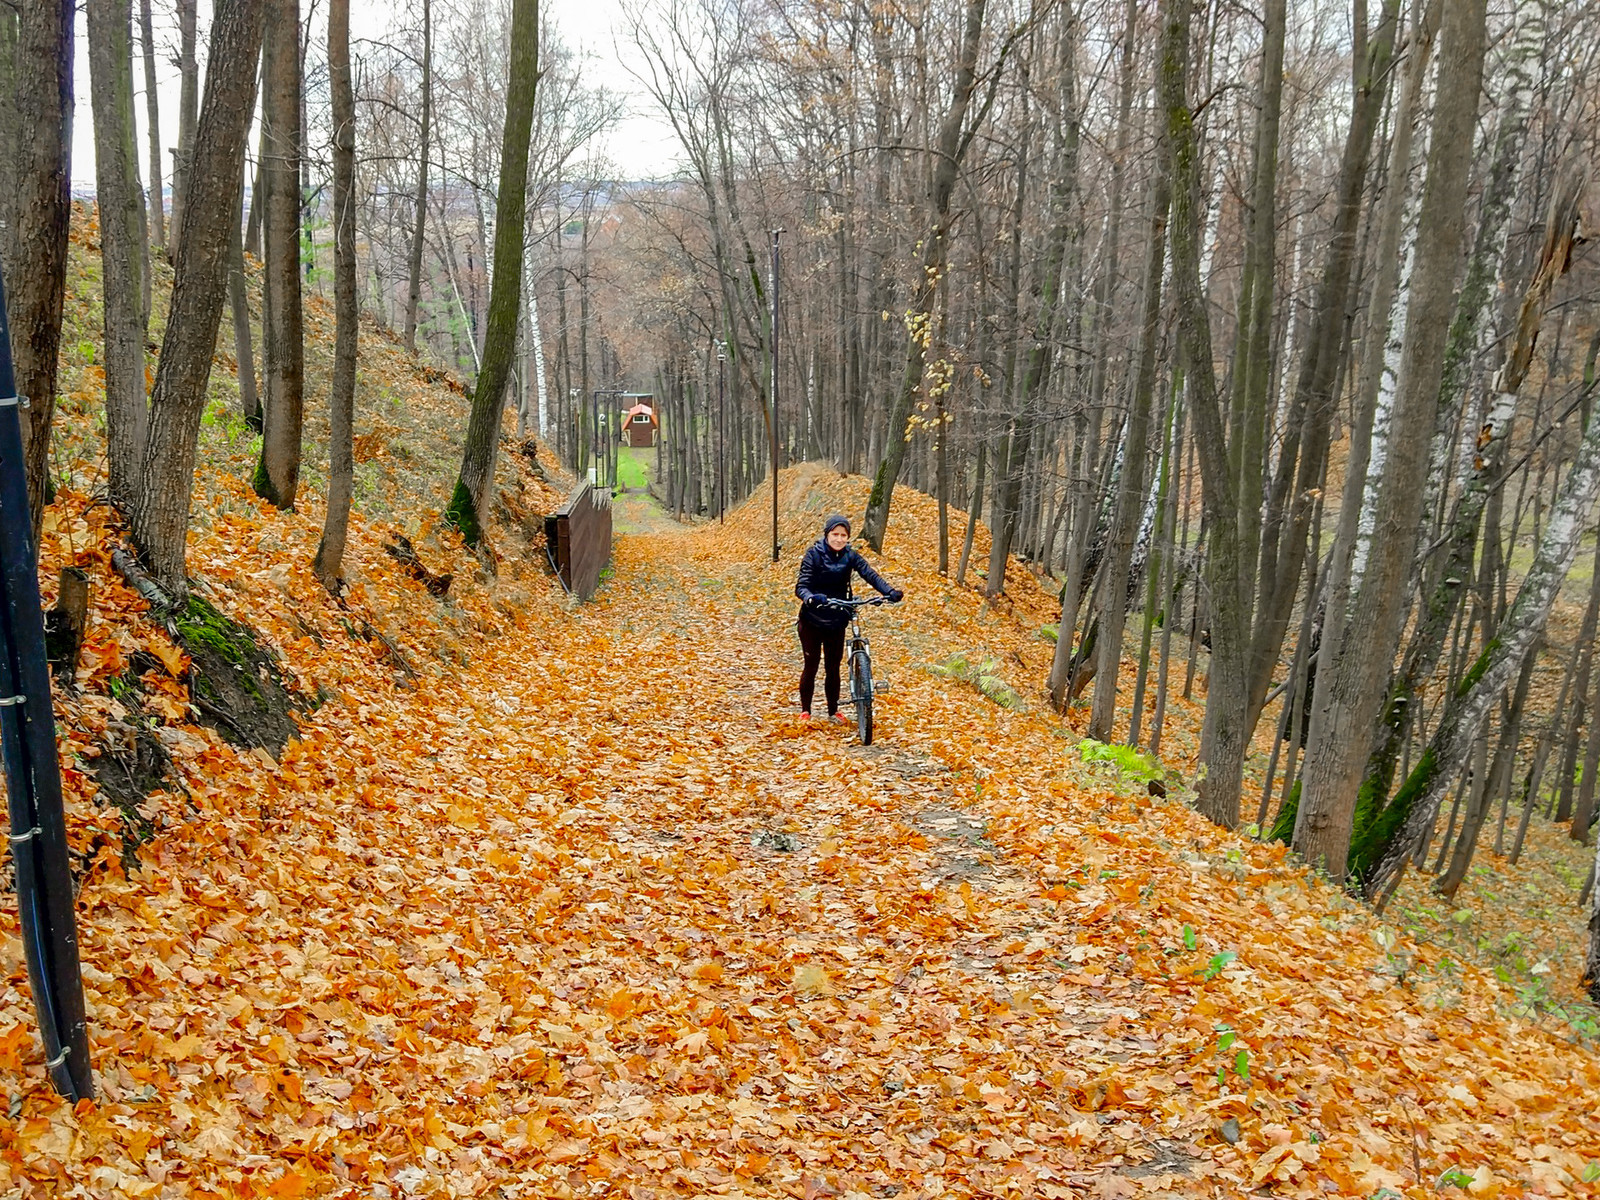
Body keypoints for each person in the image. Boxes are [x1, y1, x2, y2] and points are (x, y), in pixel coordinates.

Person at [793, 513, 903, 721]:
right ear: (827, 535)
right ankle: (806, 710)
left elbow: (869, 574)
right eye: (835, 534)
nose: (839, 539)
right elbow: (801, 586)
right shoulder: (813, 555)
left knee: (833, 667)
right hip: (812, 619)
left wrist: (889, 591)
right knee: (812, 664)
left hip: (837, 618)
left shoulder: (850, 556)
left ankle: (833, 711)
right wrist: (810, 598)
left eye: (844, 535)